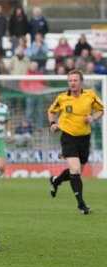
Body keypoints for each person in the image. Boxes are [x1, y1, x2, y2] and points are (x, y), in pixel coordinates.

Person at [48, 70, 104, 214]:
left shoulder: (90, 95)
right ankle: (81, 205)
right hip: (68, 136)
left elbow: (101, 110)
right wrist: (53, 123)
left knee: (78, 171)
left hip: (85, 137)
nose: (72, 83)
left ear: (81, 82)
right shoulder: (62, 98)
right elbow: (51, 111)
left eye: (75, 80)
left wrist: (93, 118)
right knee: (75, 169)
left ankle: (56, 180)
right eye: (70, 80)